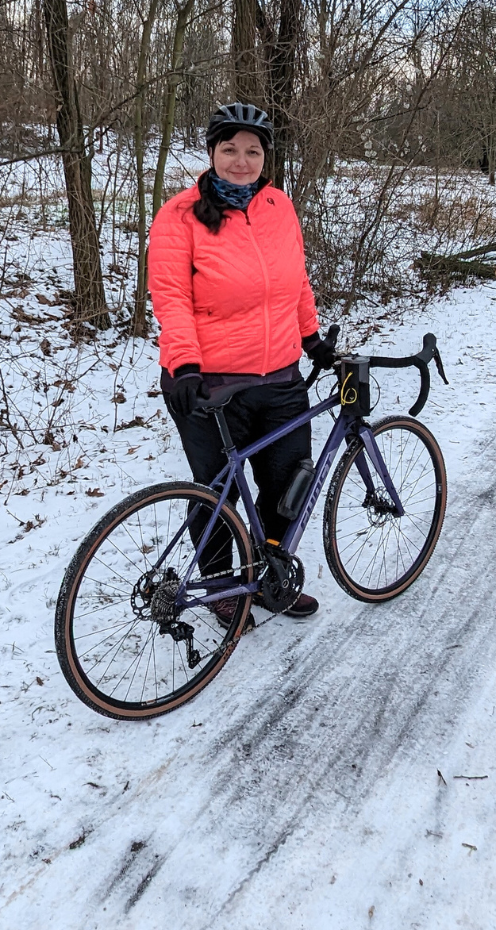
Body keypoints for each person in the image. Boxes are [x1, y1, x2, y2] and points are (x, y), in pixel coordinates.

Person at [148, 103, 335, 622]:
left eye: (252, 150)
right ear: (211, 152)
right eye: (229, 149)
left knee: (286, 483)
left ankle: (272, 570)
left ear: (265, 157)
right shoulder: (179, 215)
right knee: (217, 494)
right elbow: (169, 297)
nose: (240, 160)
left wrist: (312, 339)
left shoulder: (279, 206)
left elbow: (295, 280)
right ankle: (221, 587)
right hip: (209, 384)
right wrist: (184, 363)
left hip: (279, 377)